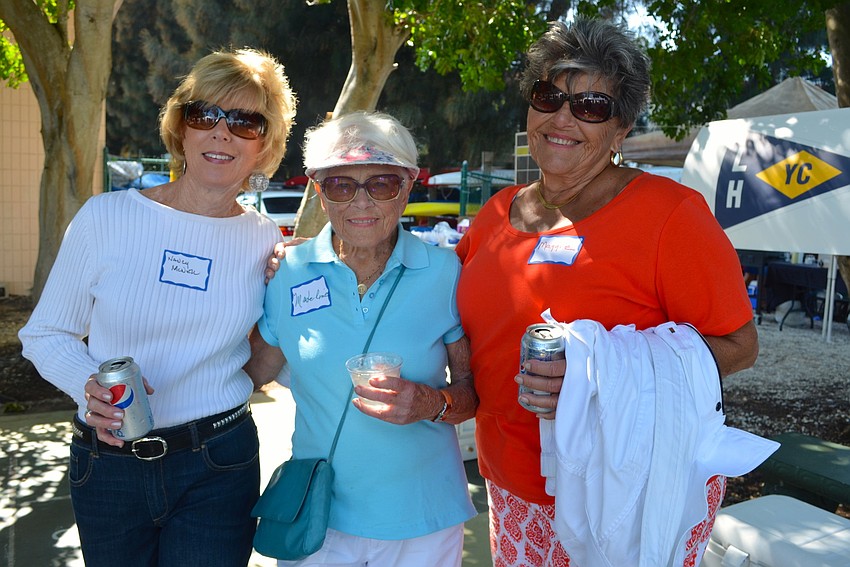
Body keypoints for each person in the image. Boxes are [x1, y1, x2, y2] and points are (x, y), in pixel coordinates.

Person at [454, 18, 759, 566]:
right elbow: (451, 310)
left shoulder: (672, 215)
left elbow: (738, 345)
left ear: (621, 131)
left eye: (592, 106)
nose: (563, 117)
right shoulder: (497, 214)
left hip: (625, 488)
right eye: (549, 96)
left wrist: (600, 374)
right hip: (512, 483)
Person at [19, 47, 297, 566]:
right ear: (181, 128)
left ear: (265, 144)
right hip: (109, 460)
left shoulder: (264, 242)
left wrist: (295, 287)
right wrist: (89, 385)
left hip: (218, 460)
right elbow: (46, 333)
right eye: (204, 115)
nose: (221, 133)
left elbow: (260, 364)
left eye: (244, 122)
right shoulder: (105, 217)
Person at [245, 111, 478, 567]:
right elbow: (251, 374)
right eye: (340, 185)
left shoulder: (445, 272)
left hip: (423, 518)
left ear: (408, 185)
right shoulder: (287, 273)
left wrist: (432, 404)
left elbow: (474, 392)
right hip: (318, 518)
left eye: (382, 184)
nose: (361, 202)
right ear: (318, 190)